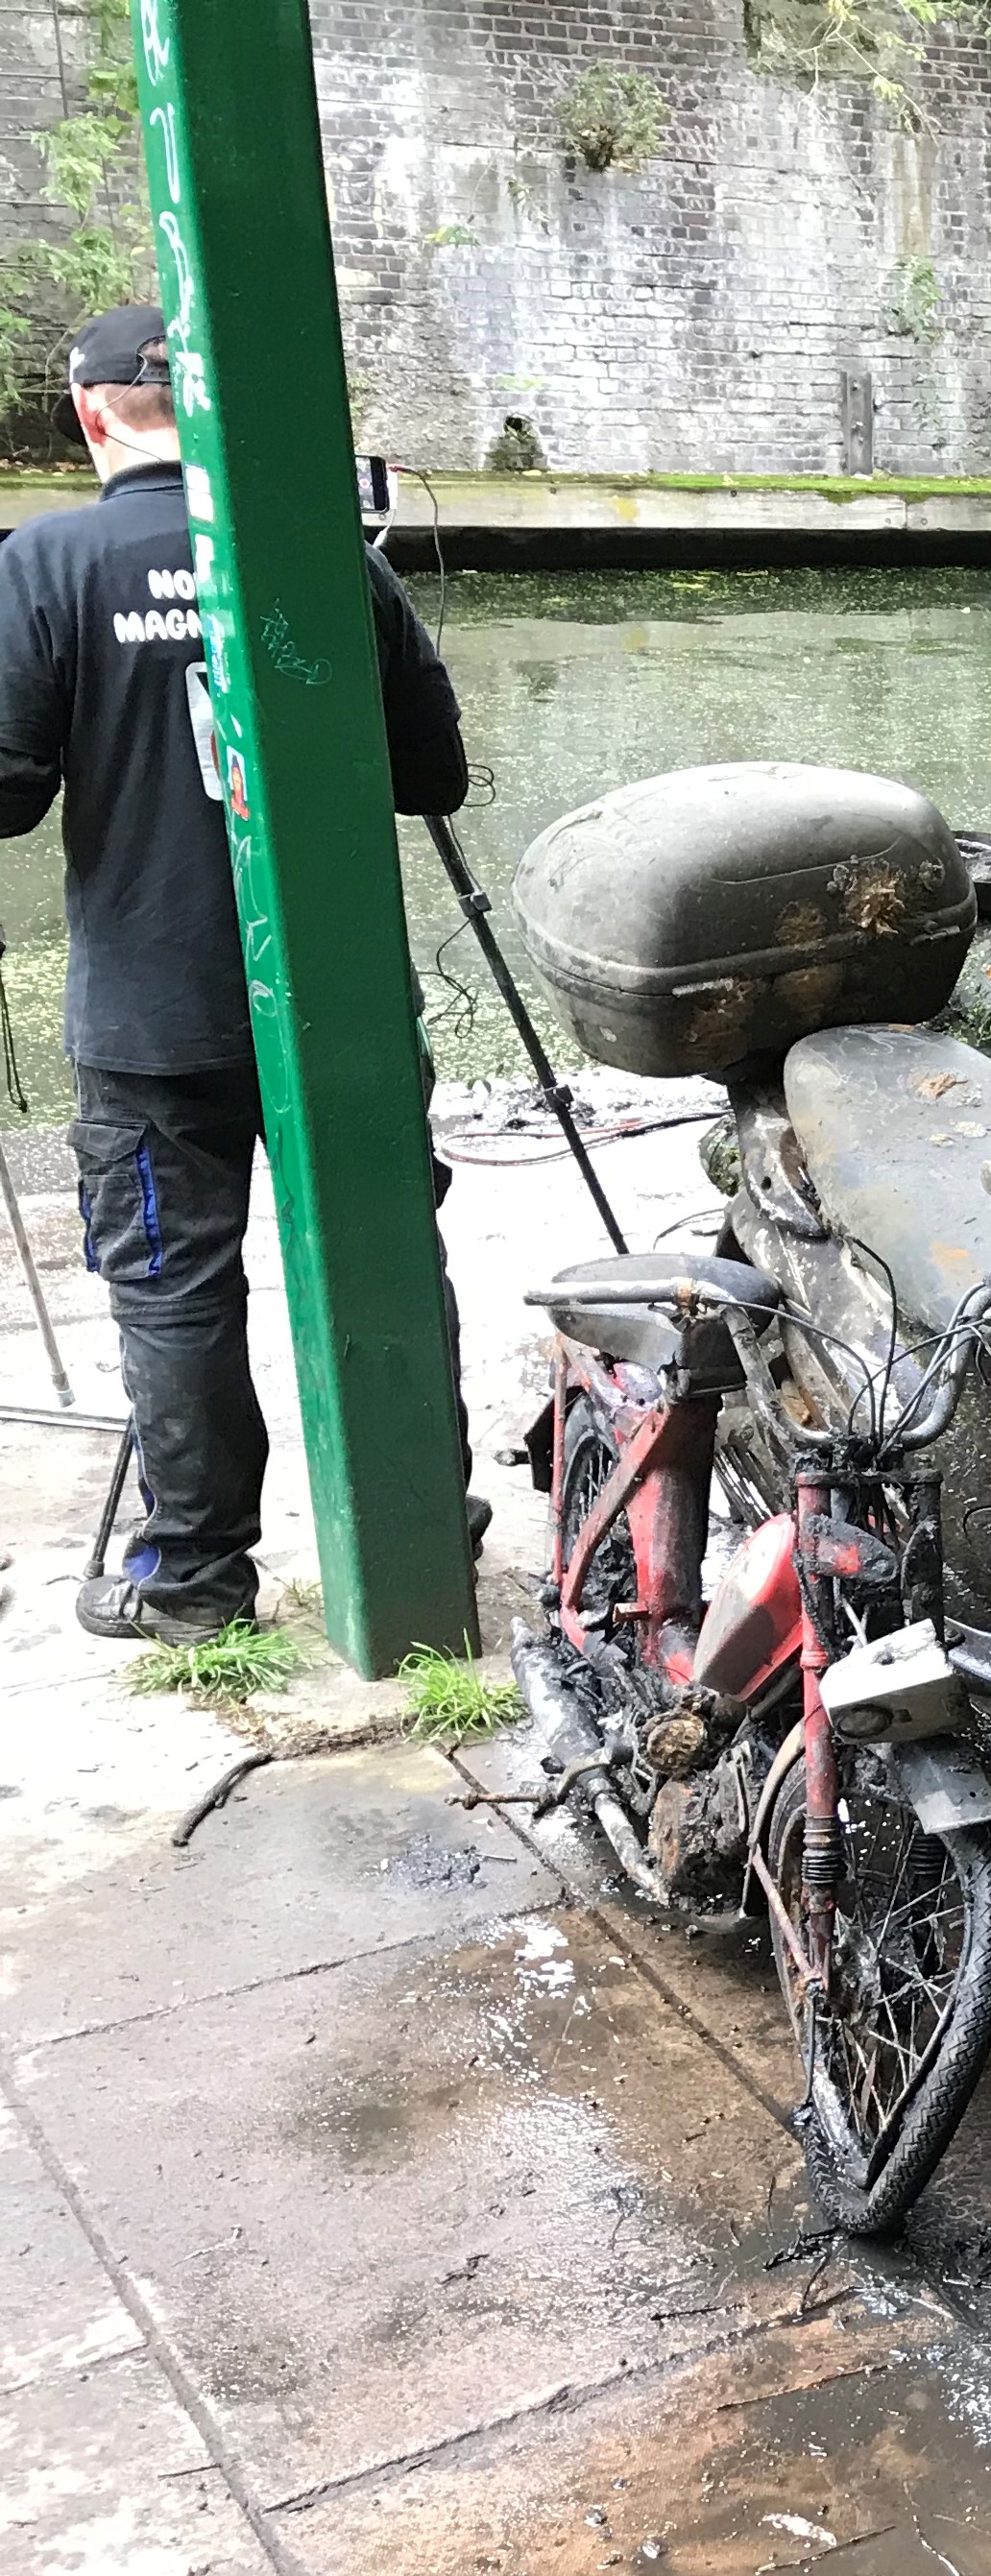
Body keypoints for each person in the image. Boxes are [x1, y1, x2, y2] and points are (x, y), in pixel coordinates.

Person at [0, 304, 471, 1645]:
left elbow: (7, 793)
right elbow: (432, 774)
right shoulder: (325, 555)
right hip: (340, 1005)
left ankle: (197, 1581)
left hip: (154, 1018)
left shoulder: (45, 564)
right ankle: (423, 1508)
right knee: (384, 1251)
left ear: (92, 413)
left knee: (172, 1285)